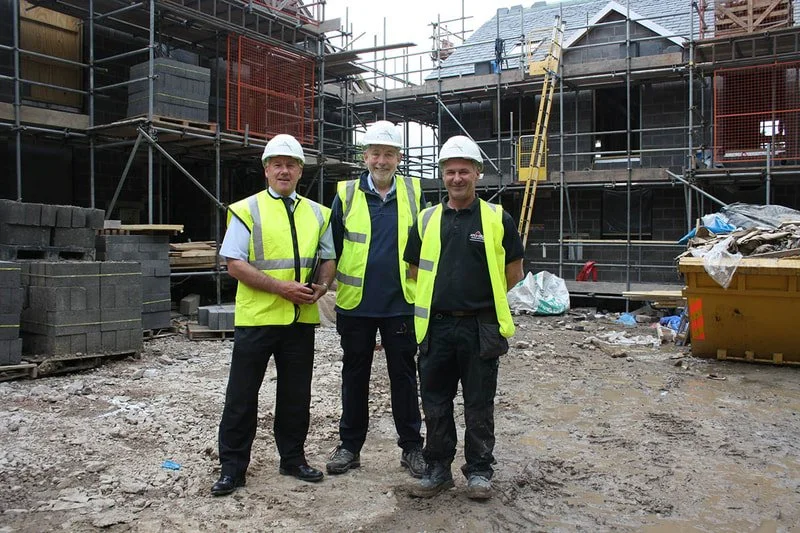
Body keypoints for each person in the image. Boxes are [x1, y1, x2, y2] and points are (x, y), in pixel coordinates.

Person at [211, 134, 336, 496]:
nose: (284, 170)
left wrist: (322, 286)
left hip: (300, 320)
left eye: (291, 164)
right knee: (241, 397)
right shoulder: (247, 210)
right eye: (277, 164)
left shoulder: (318, 213)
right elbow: (234, 264)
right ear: (266, 170)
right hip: (258, 318)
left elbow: (328, 258)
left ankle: (293, 459)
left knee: (296, 396)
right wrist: (281, 288)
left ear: (300, 171)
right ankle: (232, 469)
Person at [403, 135, 525, 500]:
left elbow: (514, 272)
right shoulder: (426, 220)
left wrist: (478, 297)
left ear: (477, 173)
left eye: (464, 171)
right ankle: (438, 469)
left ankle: (479, 471)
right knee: (436, 403)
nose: (457, 178)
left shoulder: (497, 219)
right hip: (436, 326)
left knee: (478, 403)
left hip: (479, 326)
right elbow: (412, 271)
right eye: (451, 171)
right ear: (443, 175)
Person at [325, 121, 426, 478]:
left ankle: (412, 447)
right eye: (376, 154)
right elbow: (331, 247)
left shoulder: (414, 193)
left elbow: (426, 247)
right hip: (357, 305)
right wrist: (321, 286)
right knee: (355, 377)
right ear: (364, 157)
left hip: (402, 303)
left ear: (399, 158)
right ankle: (349, 447)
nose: (382, 161)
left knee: (404, 377)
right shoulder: (347, 194)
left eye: (389, 154)